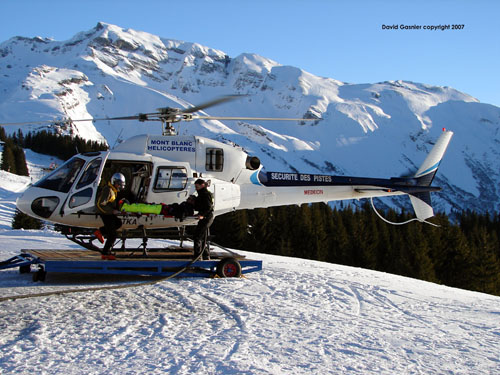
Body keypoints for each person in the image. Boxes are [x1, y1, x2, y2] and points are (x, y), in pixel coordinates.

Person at [94, 172, 126, 260]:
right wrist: (112, 211)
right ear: (114, 182)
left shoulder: (113, 190)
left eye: (121, 185)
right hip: (105, 213)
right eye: (118, 184)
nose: (119, 186)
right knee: (113, 234)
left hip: (109, 213)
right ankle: (105, 253)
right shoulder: (107, 190)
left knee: (118, 223)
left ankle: (100, 231)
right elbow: (100, 204)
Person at [193, 179, 214, 260]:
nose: (196, 188)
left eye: (197, 186)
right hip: (206, 217)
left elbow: (209, 207)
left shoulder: (205, 194)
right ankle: (205, 255)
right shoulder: (201, 194)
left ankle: (198, 257)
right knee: (201, 237)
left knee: (197, 236)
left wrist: (202, 215)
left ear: (202, 185)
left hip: (207, 217)